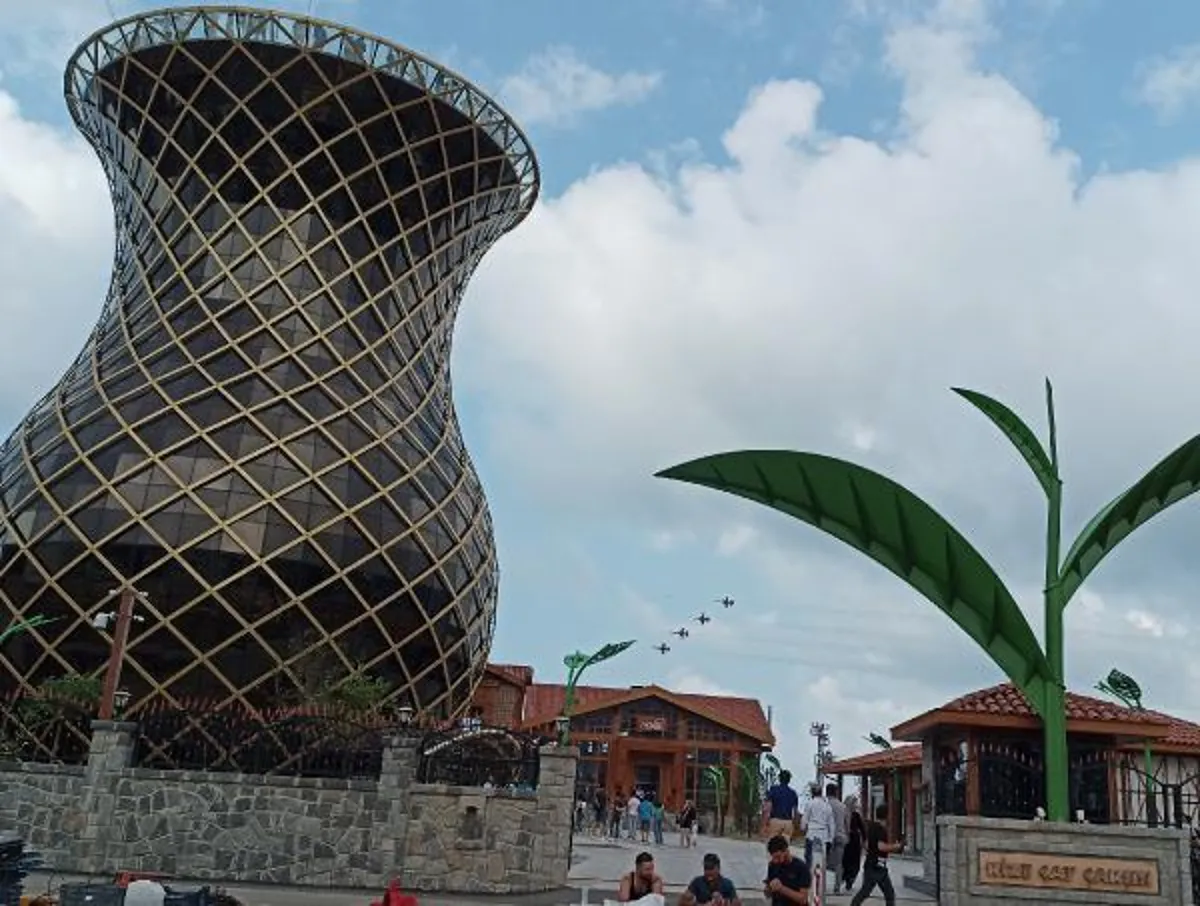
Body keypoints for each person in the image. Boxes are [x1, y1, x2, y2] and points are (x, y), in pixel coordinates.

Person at [850, 804, 904, 906]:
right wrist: (896, 846)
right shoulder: (881, 830)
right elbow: (881, 847)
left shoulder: (871, 827)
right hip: (876, 866)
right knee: (868, 892)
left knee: (887, 894)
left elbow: (865, 844)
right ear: (887, 816)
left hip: (875, 865)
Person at [763, 834, 810, 906]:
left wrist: (781, 888)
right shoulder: (773, 865)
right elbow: (768, 894)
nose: (775, 860)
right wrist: (768, 889)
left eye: (778, 857)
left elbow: (803, 899)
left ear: (786, 851)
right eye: (773, 857)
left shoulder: (801, 868)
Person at [800, 784, 834, 871]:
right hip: (823, 835)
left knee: (808, 858)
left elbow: (805, 819)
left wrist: (803, 828)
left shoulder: (810, 803)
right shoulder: (827, 806)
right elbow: (831, 823)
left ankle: (808, 877)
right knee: (822, 860)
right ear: (821, 793)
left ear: (812, 793)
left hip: (811, 834)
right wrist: (831, 838)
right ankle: (820, 880)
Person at [763, 770, 800, 840]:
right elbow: (795, 812)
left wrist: (764, 824)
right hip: (788, 823)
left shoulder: (774, 790)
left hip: (775, 821)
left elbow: (768, 807)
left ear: (779, 779)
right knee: (784, 847)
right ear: (789, 780)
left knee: (773, 847)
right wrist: (796, 825)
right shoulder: (793, 793)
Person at [826, 784, 849, 894]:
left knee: (822, 861)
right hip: (840, 836)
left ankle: (820, 885)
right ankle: (837, 888)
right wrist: (847, 835)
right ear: (836, 792)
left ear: (826, 792)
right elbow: (846, 823)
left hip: (826, 837)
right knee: (839, 863)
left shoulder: (824, 805)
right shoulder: (842, 806)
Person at [842, 795, 866, 891]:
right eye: (854, 803)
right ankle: (846, 877)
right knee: (846, 861)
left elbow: (862, 828)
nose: (855, 805)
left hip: (854, 841)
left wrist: (864, 840)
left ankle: (850, 880)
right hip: (846, 840)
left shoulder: (856, 815)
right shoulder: (844, 813)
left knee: (855, 861)